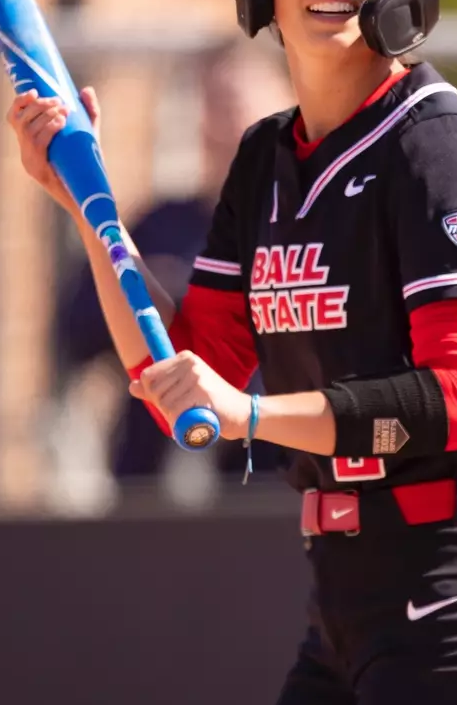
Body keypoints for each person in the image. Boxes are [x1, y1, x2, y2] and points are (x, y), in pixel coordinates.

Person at [8, 0, 457, 705]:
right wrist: (87, 209)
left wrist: (257, 417)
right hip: (344, 600)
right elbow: (184, 381)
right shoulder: (266, 159)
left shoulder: (439, 146)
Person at [46, 39, 294, 509]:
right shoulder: (161, 226)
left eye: (235, 104)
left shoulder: (311, 233)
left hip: (272, 492)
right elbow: (76, 331)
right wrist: (157, 303)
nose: (220, 125)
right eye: (210, 105)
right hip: (152, 489)